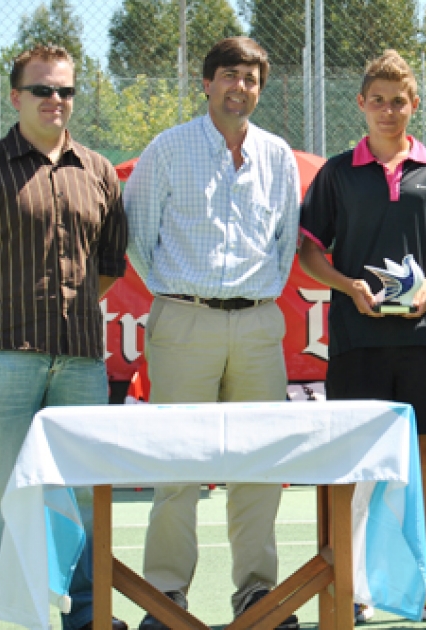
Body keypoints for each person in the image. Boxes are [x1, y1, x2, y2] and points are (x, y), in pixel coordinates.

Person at [0, 45, 128, 630]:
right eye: (44, 89)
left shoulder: (98, 172)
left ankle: (86, 615)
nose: (57, 101)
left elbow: (107, 267)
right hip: (0, 360)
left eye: (66, 91)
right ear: (16, 95)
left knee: (82, 499)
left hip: (79, 363)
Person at [123, 36, 301, 630]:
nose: (240, 88)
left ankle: (257, 596)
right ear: (207, 83)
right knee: (177, 469)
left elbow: (285, 241)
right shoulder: (168, 149)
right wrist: (182, 294)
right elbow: (136, 235)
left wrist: (249, 299)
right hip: (184, 322)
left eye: (250, 79)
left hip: (257, 327)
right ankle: (166, 597)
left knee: (259, 468)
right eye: (229, 76)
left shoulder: (277, 156)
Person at [298, 49, 426, 625]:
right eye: (377, 100)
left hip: (425, 335)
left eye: (398, 101)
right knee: (353, 464)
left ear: (414, 104)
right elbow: (309, 252)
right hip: (356, 339)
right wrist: (349, 286)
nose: (387, 110)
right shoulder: (336, 172)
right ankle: (347, 586)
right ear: (361, 104)